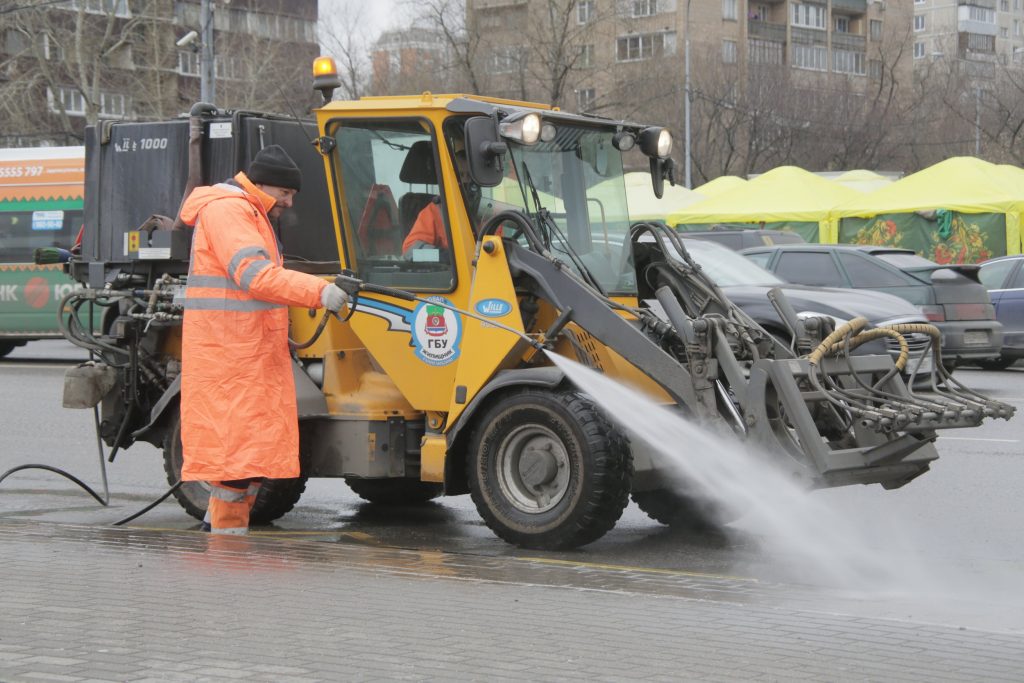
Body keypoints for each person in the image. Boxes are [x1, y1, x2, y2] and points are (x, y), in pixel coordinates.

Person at [178, 144, 349, 535]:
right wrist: (319, 292)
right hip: (231, 355)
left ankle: (223, 535)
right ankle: (226, 540)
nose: (288, 203)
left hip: (245, 353)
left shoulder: (247, 212)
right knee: (237, 458)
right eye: (286, 194)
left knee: (249, 455)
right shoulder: (229, 211)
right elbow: (255, 275)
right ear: (263, 185)